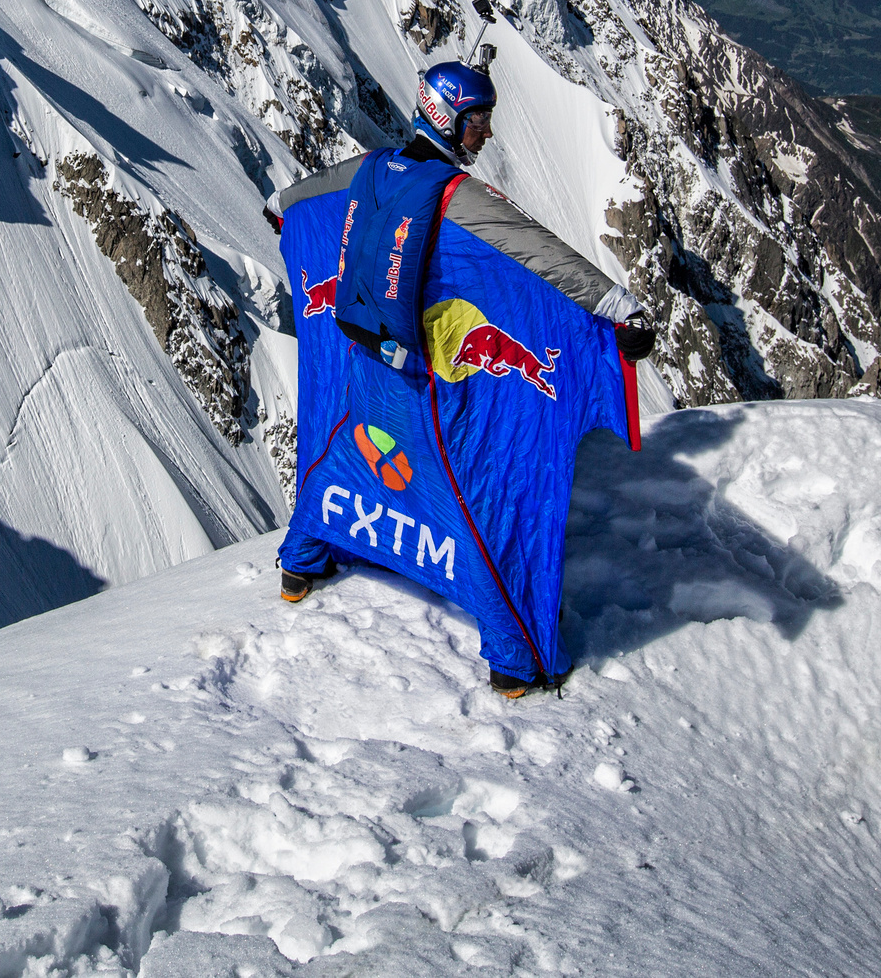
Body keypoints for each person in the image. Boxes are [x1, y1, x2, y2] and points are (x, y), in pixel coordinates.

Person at [264, 59, 656, 696]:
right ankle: (514, 659)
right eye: (479, 120)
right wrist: (618, 309)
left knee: (341, 459)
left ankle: (299, 565)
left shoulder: (371, 169)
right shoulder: (456, 195)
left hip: (366, 365)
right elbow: (541, 254)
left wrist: (278, 208)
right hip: (421, 388)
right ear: (448, 117)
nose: (487, 133)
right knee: (471, 511)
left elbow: (303, 198)